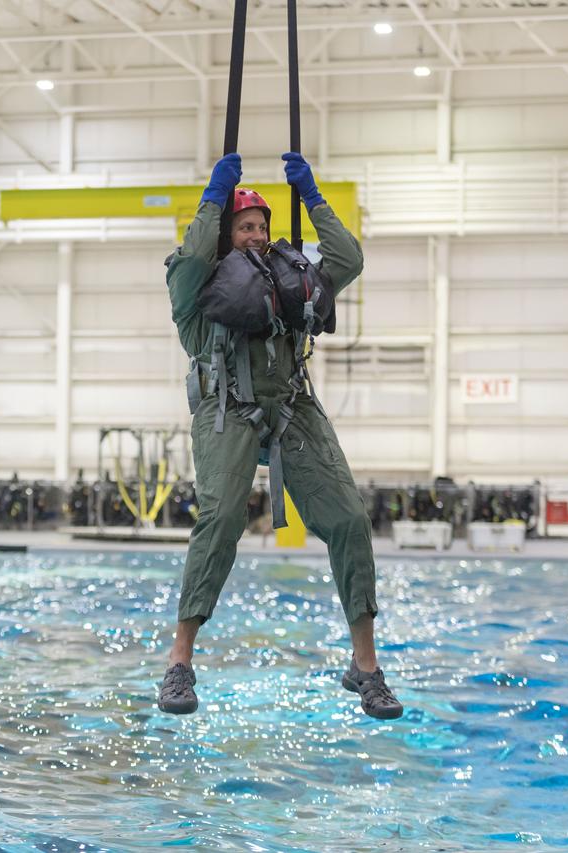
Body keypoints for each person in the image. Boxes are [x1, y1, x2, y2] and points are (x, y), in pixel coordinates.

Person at [158, 151, 403, 721]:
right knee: (220, 518)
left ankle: (365, 667)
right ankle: (180, 660)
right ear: (224, 236)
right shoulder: (196, 288)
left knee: (348, 519)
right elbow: (195, 251)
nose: (256, 236)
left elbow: (349, 256)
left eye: (262, 227)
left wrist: (313, 197)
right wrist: (214, 198)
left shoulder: (291, 282)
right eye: (244, 228)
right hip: (228, 408)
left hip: (293, 406)